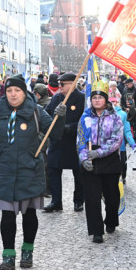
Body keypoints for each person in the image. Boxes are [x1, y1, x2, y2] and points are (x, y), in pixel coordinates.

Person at [0, 75, 62, 270]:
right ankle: (8, 256)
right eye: (9, 91)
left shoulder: (36, 111)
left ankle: (27, 251)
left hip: (30, 169)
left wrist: (61, 116)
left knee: (29, 215)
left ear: (25, 92)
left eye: (17, 90)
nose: (13, 94)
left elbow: (55, 133)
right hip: (5, 170)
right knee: (7, 216)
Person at [76, 81, 124, 243]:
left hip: (108, 160)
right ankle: (96, 230)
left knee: (112, 197)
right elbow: (80, 139)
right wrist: (83, 159)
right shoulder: (85, 117)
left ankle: (111, 220)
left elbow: (116, 140)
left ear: (106, 99)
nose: (97, 100)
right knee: (92, 197)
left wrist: (99, 152)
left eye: (100, 97)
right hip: (90, 158)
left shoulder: (115, 117)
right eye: (94, 97)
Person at [44, 72, 85, 213]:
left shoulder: (82, 98)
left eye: (62, 84)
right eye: (59, 83)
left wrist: (70, 127)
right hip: (58, 140)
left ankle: (79, 200)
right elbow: (47, 114)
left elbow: (85, 121)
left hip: (74, 141)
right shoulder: (56, 98)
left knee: (78, 173)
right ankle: (56, 201)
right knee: (53, 170)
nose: (59, 86)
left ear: (72, 84)